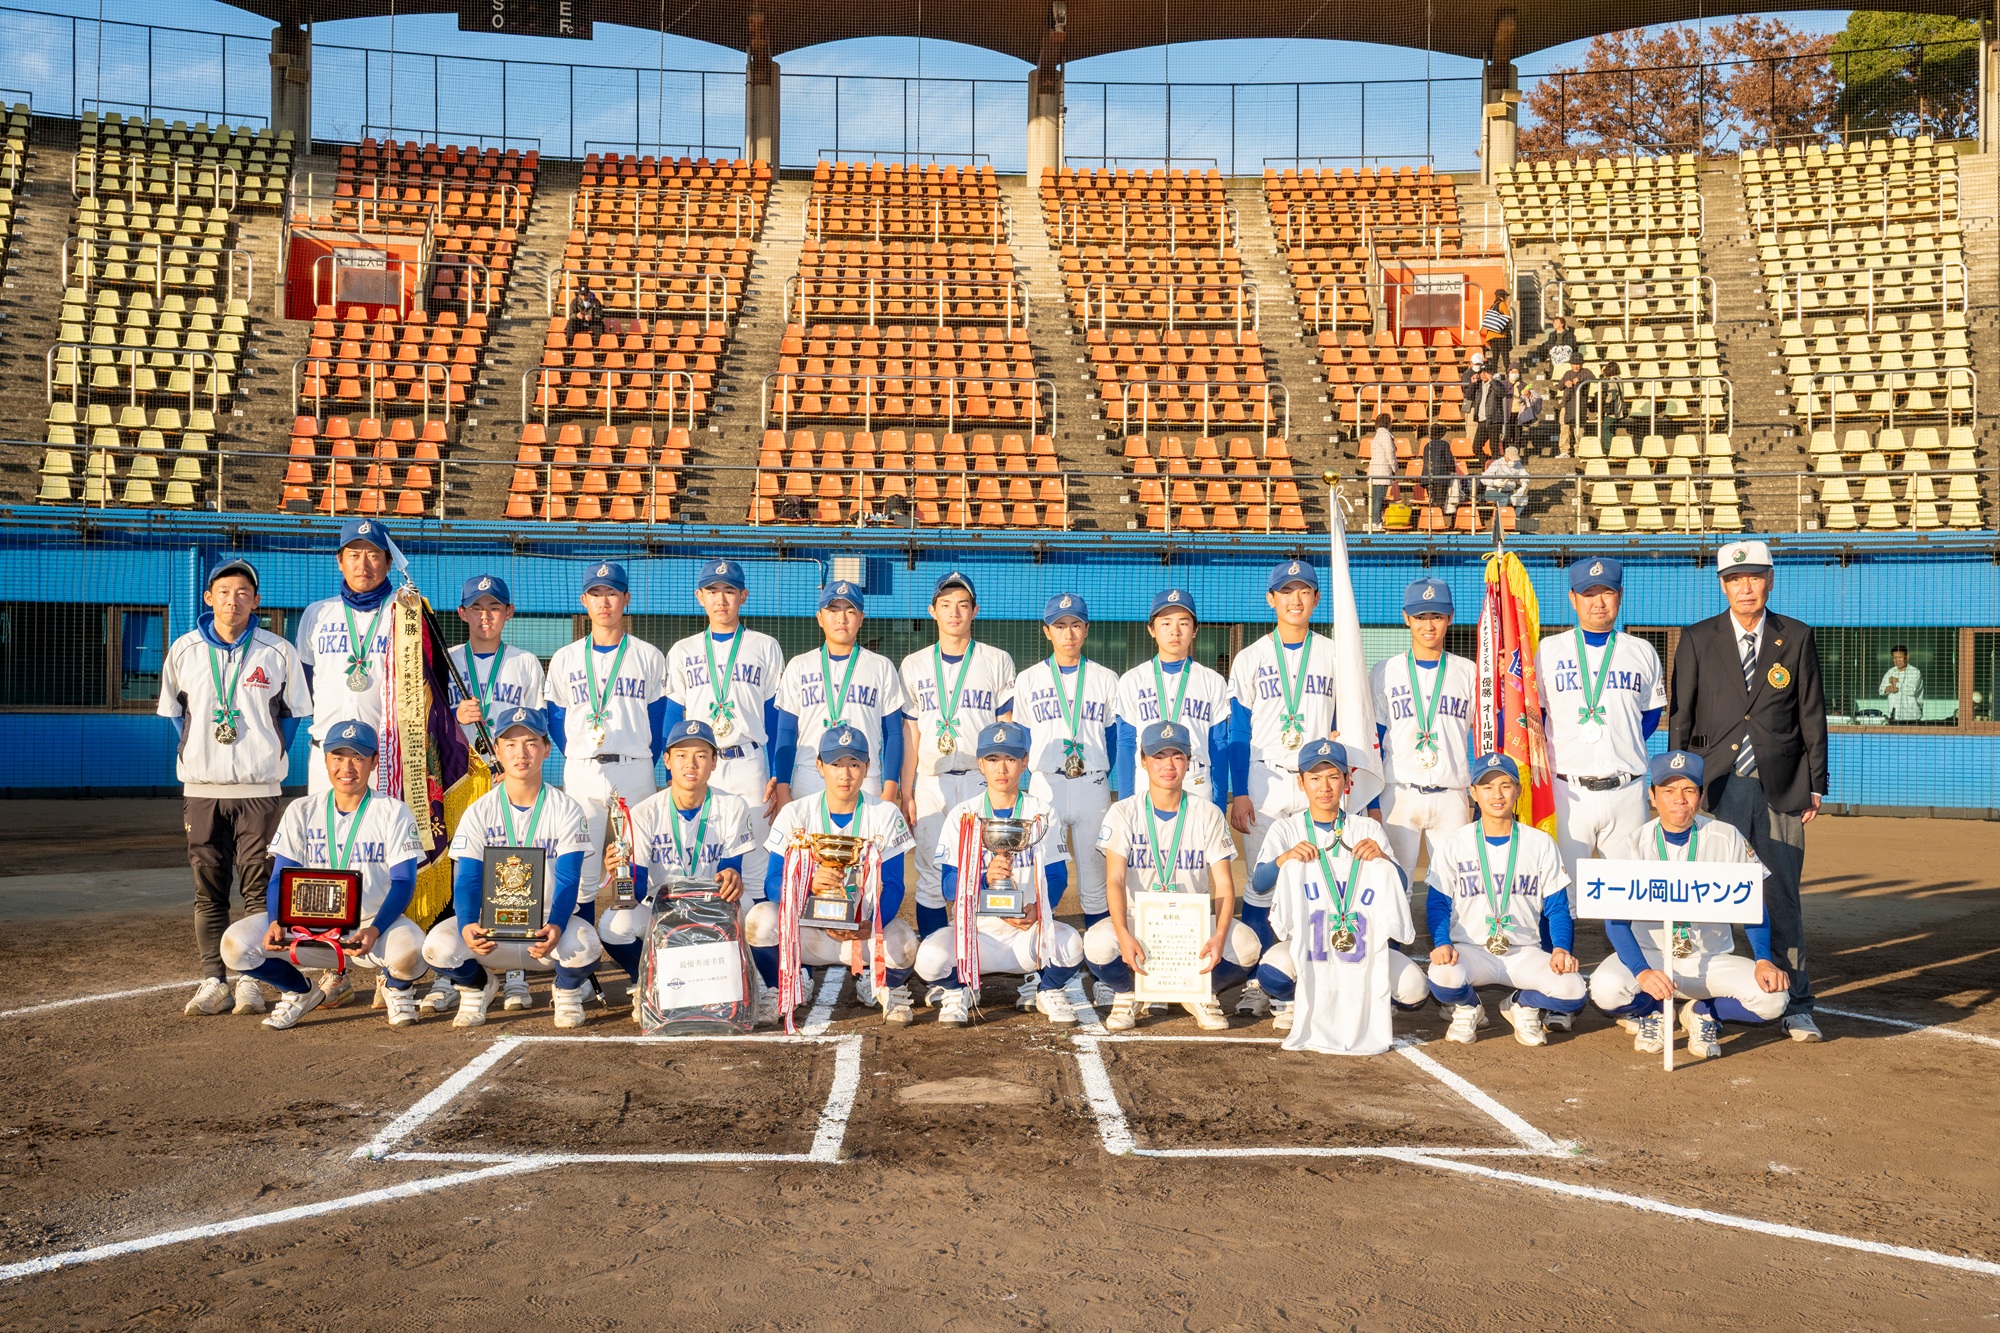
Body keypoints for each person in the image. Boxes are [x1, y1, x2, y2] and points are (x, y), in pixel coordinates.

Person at [1668, 540, 1829, 1042]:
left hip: (1781, 788)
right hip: (1718, 787)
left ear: (1770, 581)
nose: (1745, 588)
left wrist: (1815, 783)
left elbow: (1811, 712)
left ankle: (1797, 1004)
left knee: (1781, 896)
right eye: (1735, 580)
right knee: (1709, 895)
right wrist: (1678, 784)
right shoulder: (1698, 638)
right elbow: (1681, 716)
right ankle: (1703, 997)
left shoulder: (1796, 636)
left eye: (1755, 577)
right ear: (1723, 586)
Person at [160, 556, 312, 1019]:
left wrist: (265, 756)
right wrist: (198, 753)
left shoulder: (277, 651)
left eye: (243, 592)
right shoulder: (184, 650)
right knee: (208, 886)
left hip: (258, 790)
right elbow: (176, 715)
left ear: (256, 601)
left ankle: (251, 979)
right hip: (202, 789)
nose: (234, 600)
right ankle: (214, 980)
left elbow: (293, 715)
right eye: (224, 591)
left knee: (258, 885)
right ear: (209, 598)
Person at [220, 721, 428, 1030]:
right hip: (306, 926)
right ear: (326, 760)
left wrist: (375, 929)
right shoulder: (302, 810)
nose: (347, 767)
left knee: (414, 952)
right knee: (235, 945)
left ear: (374, 762)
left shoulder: (393, 811)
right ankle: (300, 991)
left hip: (370, 925)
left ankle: (396, 988)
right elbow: (279, 877)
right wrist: (277, 920)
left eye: (357, 758)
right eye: (338, 757)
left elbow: (403, 881)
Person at [1589, 751, 1791, 1058]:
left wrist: (1763, 959)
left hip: (1711, 959)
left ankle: (1703, 1013)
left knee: (1773, 999)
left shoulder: (1727, 837)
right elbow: (1615, 922)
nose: (1679, 799)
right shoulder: (1631, 845)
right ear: (1652, 796)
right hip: (1652, 955)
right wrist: (1642, 972)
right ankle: (1653, 1011)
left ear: (1701, 795)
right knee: (1605, 989)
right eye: (1668, 790)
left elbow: (1753, 906)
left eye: (1689, 790)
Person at [426, 705, 600, 1028]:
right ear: (497, 750)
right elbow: (467, 879)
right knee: (437, 947)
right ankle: (478, 987)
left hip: (545, 929)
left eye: (531, 743)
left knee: (588, 945)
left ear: (547, 749)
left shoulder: (566, 809)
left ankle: (566, 990)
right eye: (510, 744)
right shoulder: (479, 811)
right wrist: (467, 923)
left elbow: (568, 877)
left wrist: (557, 925)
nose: (521, 753)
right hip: (491, 930)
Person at [1084, 720, 1261, 1032]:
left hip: (1192, 924)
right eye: (1159, 756)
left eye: (1177, 756)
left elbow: (1223, 883)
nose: (1169, 765)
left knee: (1247, 946)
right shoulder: (1123, 812)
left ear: (1189, 762)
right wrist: (1123, 935)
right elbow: (1115, 880)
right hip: (1139, 919)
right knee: (1097, 944)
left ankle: (1200, 991)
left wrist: (1219, 935)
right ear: (1143, 761)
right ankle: (1130, 993)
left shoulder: (1208, 813)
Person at [1226, 559, 1344, 1017]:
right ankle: (1260, 981)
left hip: (1318, 780)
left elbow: (1347, 721)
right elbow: (1238, 729)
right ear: (1271, 599)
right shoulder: (1250, 656)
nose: (1296, 600)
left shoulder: (1334, 653)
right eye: (1287, 591)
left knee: (1324, 878)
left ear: (1316, 599)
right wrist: (1239, 791)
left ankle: (1314, 977)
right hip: (1268, 778)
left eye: (1305, 591)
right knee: (1263, 882)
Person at [1248, 740, 1422, 1043]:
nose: (1324, 786)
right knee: (1273, 973)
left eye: (1333, 777)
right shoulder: (1286, 829)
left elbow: (1400, 883)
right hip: (1310, 947)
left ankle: (1365, 998)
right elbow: (1260, 883)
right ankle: (1295, 1000)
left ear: (1347, 780)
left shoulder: (1366, 828)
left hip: (1361, 950)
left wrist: (1382, 857)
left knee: (1414, 990)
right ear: (1301, 782)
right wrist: (1284, 858)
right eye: (1315, 778)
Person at [912, 721, 1082, 1027]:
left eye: (1010, 758)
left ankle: (1046, 988)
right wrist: (983, 879)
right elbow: (949, 887)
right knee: (928, 958)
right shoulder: (963, 815)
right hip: (975, 934)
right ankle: (959, 990)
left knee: (1072, 944)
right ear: (980, 764)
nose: (1001, 768)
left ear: (1024, 762)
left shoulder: (1041, 813)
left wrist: (1038, 910)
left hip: (1026, 932)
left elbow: (1057, 876)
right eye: (992, 759)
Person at [544, 561, 669, 970]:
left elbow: (658, 718)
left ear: (626, 599)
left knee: (640, 866)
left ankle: (647, 963)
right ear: (584, 601)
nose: (604, 601)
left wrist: (638, 753)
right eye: (596, 594)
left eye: (612, 593)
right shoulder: (565, 658)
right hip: (583, 770)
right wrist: (580, 752)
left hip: (634, 768)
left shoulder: (648, 656)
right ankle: (579, 965)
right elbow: (555, 718)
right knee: (581, 867)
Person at [750, 727, 919, 1025]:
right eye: (836, 764)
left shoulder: (885, 813)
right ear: (819, 766)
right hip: (808, 928)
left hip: (863, 932)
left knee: (905, 941)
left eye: (854, 764)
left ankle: (882, 984)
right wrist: (808, 885)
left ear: (867, 768)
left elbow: (894, 885)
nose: (845, 774)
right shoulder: (795, 813)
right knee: (759, 920)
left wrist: (870, 925)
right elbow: (773, 883)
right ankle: (785, 985)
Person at [898, 571, 1017, 978]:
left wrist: (1008, 787)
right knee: (931, 872)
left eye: (963, 605)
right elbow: (911, 734)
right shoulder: (914, 664)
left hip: (980, 779)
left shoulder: (997, 660)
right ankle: (942, 969)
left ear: (975, 611)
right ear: (932, 611)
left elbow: (1007, 728)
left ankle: (989, 952)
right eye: (946, 605)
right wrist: (908, 791)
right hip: (932, 780)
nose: (954, 612)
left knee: (991, 867)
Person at [1424, 753, 1587, 1046]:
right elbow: (1438, 904)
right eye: (1487, 787)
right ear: (1473, 793)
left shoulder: (1540, 843)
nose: (1497, 795)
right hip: (1471, 949)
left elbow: (1558, 908)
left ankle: (1521, 1004)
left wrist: (1561, 948)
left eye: (1505, 785)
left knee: (1573, 990)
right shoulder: (1453, 842)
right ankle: (1469, 1007)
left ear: (1518, 791)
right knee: (1442, 976)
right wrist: (1442, 943)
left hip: (1524, 951)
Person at [599, 719, 756, 1022]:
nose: (691, 764)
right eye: (681, 755)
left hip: (713, 907)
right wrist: (622, 874)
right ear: (668, 761)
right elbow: (637, 887)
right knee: (613, 924)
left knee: (754, 914)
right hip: (663, 908)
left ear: (714, 762)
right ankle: (647, 982)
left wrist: (732, 878)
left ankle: (742, 982)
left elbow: (731, 869)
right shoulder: (644, 812)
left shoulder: (733, 806)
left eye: (701, 755)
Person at [443, 572, 547, 1016]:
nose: (485, 616)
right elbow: (424, 721)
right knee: (457, 866)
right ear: (462, 613)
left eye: (494, 607)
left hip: (507, 778)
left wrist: (517, 769)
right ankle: (454, 969)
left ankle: (515, 968)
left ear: (509, 613)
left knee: (511, 865)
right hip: (458, 778)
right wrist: (454, 715)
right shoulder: (445, 659)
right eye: (477, 608)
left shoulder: (524, 662)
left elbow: (538, 726)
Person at [1537, 557, 1665, 889]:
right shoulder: (1548, 650)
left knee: (1629, 890)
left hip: (1626, 790)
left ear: (1619, 595)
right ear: (1573, 598)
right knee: (1563, 890)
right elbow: (1538, 714)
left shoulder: (1642, 651)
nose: (1599, 602)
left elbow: (1651, 715)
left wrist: (1618, 742)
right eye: (1589, 593)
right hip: (1568, 790)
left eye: (1607, 592)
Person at [662, 559, 784, 905]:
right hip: (700, 763)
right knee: (700, 850)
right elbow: (672, 714)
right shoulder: (683, 650)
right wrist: (670, 772)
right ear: (700, 596)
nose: (721, 599)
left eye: (729, 590)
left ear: (743, 596)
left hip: (748, 761)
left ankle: (757, 932)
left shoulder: (765, 645)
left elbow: (774, 716)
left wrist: (777, 775)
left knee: (755, 857)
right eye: (712, 591)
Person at [1009, 593, 1118, 954]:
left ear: (1086, 629)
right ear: (1047, 631)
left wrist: (1097, 767)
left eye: (1075, 625)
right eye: (1059, 626)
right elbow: (1023, 737)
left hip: (1092, 784)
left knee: (1095, 878)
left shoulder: (1106, 678)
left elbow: (1112, 737)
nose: (1068, 633)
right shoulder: (1028, 679)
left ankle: (1101, 959)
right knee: (1040, 871)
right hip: (1047, 783)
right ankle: (1041, 953)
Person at [1369, 578, 1476, 877]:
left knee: (1455, 882)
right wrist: (1372, 802)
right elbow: (1374, 740)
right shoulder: (1384, 671)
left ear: (1450, 617)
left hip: (1452, 793)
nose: (1428, 625)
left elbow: (1484, 738)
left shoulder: (1469, 672)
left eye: (1437, 616)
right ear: (1406, 618)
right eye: (1419, 617)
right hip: (1399, 793)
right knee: (1393, 881)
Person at [772, 580, 908, 805]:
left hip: (864, 776)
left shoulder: (881, 666)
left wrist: (891, 788)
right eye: (833, 610)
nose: (841, 619)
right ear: (819, 618)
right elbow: (786, 731)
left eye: (850, 611)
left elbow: (893, 732)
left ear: (861, 618)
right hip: (810, 775)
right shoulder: (799, 665)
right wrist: (783, 788)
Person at [294, 518, 399, 795]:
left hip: (385, 757)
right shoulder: (317, 613)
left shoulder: (407, 613)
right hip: (327, 755)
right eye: (353, 555)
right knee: (325, 822)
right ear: (340, 561)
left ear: (389, 562)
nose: (362, 565)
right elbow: (304, 682)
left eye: (373, 555)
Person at [1113, 589, 1229, 810]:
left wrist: (1220, 803)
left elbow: (1218, 744)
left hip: (1195, 779)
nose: (1175, 631)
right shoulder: (1132, 679)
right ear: (1151, 629)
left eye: (1183, 623)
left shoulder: (1213, 680)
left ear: (1195, 630)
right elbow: (1126, 743)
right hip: (1148, 779)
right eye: (1166, 623)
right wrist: (1125, 802)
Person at [1468, 363, 1513, 461]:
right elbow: (1468, 396)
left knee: (1494, 448)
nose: (1484, 374)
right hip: (1482, 421)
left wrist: (1492, 381)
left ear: (1491, 373)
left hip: (1494, 421)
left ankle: (1496, 468)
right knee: (1476, 447)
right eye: (1482, 372)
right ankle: (1487, 465)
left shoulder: (1497, 384)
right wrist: (1472, 384)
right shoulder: (1478, 385)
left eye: (1486, 372)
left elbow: (1502, 393)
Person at [1419, 427, 1463, 517]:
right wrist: (1452, 470)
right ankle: (1438, 519)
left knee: (1432, 501)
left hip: (1428, 477)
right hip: (1441, 477)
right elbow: (1449, 460)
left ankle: (1433, 520)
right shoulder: (1444, 444)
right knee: (1440, 501)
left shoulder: (1427, 445)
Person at [1365, 412, 1398, 530]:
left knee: (1376, 497)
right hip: (1382, 471)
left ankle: (1375, 520)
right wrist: (1395, 467)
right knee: (1379, 497)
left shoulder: (1378, 435)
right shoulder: (1385, 435)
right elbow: (1390, 453)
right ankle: (1376, 521)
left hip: (1375, 470)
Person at [1557, 362, 1595, 458]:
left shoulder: (1586, 371)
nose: (1576, 366)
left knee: (1579, 429)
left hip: (1580, 405)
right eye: (1574, 364)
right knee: (1565, 428)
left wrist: (1579, 378)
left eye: (1578, 364)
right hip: (1566, 405)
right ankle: (1564, 451)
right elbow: (1559, 386)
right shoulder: (1567, 373)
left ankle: (1579, 451)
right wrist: (1565, 383)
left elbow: (1593, 378)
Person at [1880, 645, 1924, 723]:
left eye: (1900, 657)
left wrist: (1897, 684)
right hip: (1893, 716)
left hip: (1911, 716)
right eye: (1894, 658)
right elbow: (1881, 690)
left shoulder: (1915, 672)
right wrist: (1889, 689)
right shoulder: (1891, 671)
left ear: (1907, 656)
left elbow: (1912, 691)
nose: (1897, 660)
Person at [1480, 445, 1530, 514]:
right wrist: (1495, 483)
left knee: (1522, 500)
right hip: (1493, 491)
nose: (1513, 462)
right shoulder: (1497, 464)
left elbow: (1524, 475)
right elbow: (1483, 478)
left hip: (1509, 492)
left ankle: (1515, 518)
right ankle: (1499, 520)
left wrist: (1524, 482)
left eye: (1515, 460)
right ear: (1505, 457)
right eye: (1511, 459)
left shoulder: (1518, 464)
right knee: (1504, 499)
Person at [1481, 290, 1513, 365]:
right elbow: (1508, 318)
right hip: (1500, 335)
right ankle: (1508, 371)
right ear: (1503, 296)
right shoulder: (1502, 304)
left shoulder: (1493, 306)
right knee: (1505, 356)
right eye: (1506, 296)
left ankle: (1494, 371)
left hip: (1491, 336)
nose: (1506, 298)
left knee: (1495, 357)